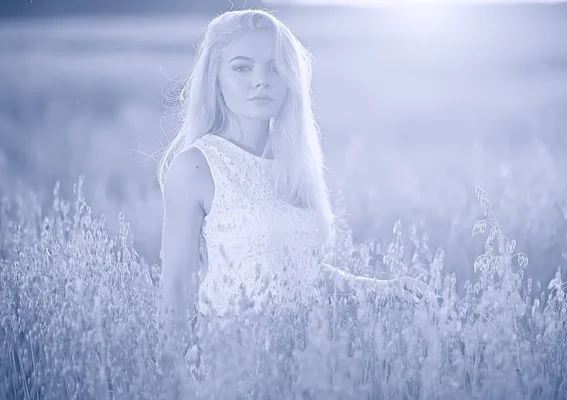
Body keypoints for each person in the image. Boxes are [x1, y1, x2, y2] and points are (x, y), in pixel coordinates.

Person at [156, 8, 430, 398]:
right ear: (214, 79)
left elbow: (301, 268)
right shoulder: (196, 167)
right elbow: (176, 288)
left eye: (274, 68)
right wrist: (173, 383)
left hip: (311, 367)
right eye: (241, 68)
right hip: (237, 372)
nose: (260, 81)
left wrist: (380, 289)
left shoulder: (292, 164)